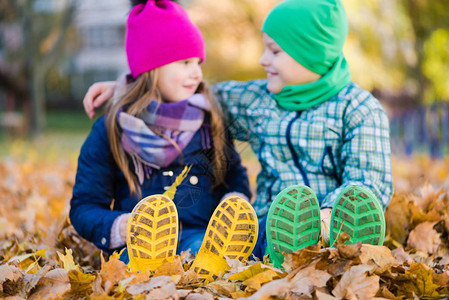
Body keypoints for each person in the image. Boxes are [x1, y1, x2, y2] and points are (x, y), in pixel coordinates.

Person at [82, 0, 393, 269]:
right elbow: (180, 95)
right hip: (270, 223)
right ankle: (280, 249)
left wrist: (327, 214)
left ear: (309, 55)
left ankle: (329, 233)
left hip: (328, 218)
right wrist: (126, 88)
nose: (262, 60)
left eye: (274, 51)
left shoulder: (359, 110)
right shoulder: (257, 101)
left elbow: (370, 180)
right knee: (254, 237)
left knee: (350, 204)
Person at [69, 0, 259, 280]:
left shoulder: (209, 121)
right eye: (185, 63)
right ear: (152, 67)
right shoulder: (111, 130)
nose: (196, 73)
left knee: (220, 249)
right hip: (139, 246)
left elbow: (235, 177)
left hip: (201, 235)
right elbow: (84, 206)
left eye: (198, 63)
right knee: (152, 261)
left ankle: (237, 253)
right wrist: (125, 226)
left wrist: (234, 203)